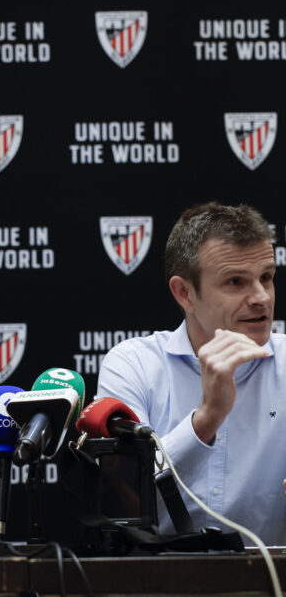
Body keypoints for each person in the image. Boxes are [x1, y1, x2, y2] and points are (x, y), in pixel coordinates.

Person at [97, 202, 286, 545]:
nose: (261, 298)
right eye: (235, 282)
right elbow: (124, 498)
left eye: (267, 278)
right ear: (185, 293)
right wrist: (207, 418)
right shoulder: (133, 366)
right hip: (161, 584)